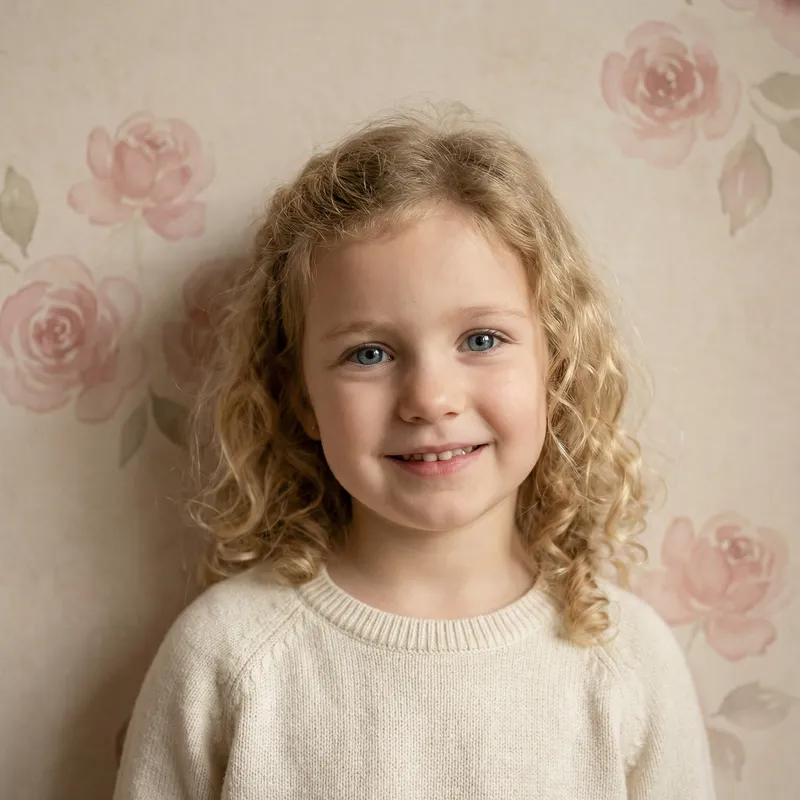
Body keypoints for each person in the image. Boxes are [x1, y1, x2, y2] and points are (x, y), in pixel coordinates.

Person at [113, 108, 715, 799]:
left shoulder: (627, 659)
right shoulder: (224, 656)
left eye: (482, 340)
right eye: (369, 353)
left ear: (558, 366)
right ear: (301, 397)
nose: (430, 398)